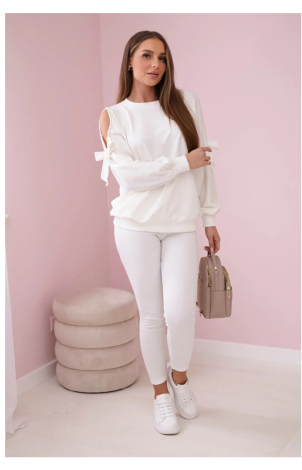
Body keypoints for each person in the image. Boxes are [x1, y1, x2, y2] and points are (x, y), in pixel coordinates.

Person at [95, 30, 221, 435]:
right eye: (147, 56)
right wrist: (182, 163)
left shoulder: (186, 103)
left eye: (162, 58)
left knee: (180, 313)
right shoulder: (113, 115)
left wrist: (209, 217)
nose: (156, 65)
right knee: (151, 315)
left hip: (181, 222)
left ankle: (179, 379)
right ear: (130, 60)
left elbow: (205, 162)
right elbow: (129, 177)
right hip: (135, 226)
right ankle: (160, 394)